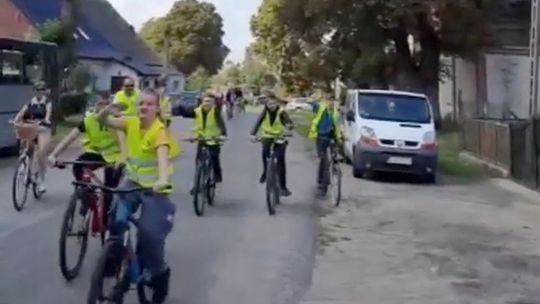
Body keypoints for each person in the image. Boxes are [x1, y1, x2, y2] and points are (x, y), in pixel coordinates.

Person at [97, 89, 180, 303]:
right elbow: (103, 120)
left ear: (157, 109)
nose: (144, 107)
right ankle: (116, 258)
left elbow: (162, 156)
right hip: (131, 184)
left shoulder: (159, 131)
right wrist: (109, 109)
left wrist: (162, 179)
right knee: (116, 219)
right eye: (141, 103)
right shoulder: (130, 122)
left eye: (150, 104)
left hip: (155, 189)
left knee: (150, 234)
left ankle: (159, 273)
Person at [48, 92, 127, 224]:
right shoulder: (89, 120)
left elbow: (122, 142)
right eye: (100, 104)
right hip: (94, 153)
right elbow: (69, 138)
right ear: (94, 106)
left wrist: (122, 160)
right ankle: (86, 198)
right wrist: (54, 155)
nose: (102, 107)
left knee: (109, 191)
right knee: (79, 166)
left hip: (113, 157)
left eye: (106, 105)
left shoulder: (117, 120)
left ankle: (107, 225)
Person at [176, 93, 227, 188]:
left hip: (213, 140)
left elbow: (221, 124)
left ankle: (216, 177)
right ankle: (197, 184)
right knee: (198, 161)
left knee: (214, 158)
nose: (207, 104)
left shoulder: (215, 112)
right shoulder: (197, 111)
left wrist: (223, 135)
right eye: (205, 101)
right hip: (202, 138)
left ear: (213, 103)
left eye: (209, 102)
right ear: (202, 102)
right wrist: (179, 106)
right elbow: (186, 113)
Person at [250, 92, 294, 196]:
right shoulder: (264, 112)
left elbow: (289, 122)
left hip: (280, 137)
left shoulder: (282, 112)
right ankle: (265, 171)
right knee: (265, 152)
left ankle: (283, 187)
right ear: (266, 105)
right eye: (269, 104)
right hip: (267, 136)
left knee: (280, 161)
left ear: (277, 103)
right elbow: (258, 123)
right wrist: (252, 134)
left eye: (274, 104)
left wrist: (289, 127)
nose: (272, 106)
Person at [13, 81, 53, 193]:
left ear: (45, 91)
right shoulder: (31, 102)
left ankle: (41, 181)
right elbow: (21, 113)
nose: (39, 92)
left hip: (43, 129)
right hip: (31, 128)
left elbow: (48, 114)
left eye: (42, 90)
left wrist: (46, 119)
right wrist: (16, 120)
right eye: (37, 90)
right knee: (28, 150)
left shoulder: (48, 102)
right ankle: (27, 170)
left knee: (41, 153)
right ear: (34, 91)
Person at [308, 98, 343, 192]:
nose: (331, 104)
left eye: (334, 103)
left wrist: (339, 138)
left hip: (330, 137)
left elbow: (338, 127)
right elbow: (314, 105)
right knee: (323, 159)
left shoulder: (335, 114)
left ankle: (334, 171)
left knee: (334, 155)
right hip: (320, 136)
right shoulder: (321, 108)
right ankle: (321, 181)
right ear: (326, 102)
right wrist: (312, 100)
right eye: (330, 101)